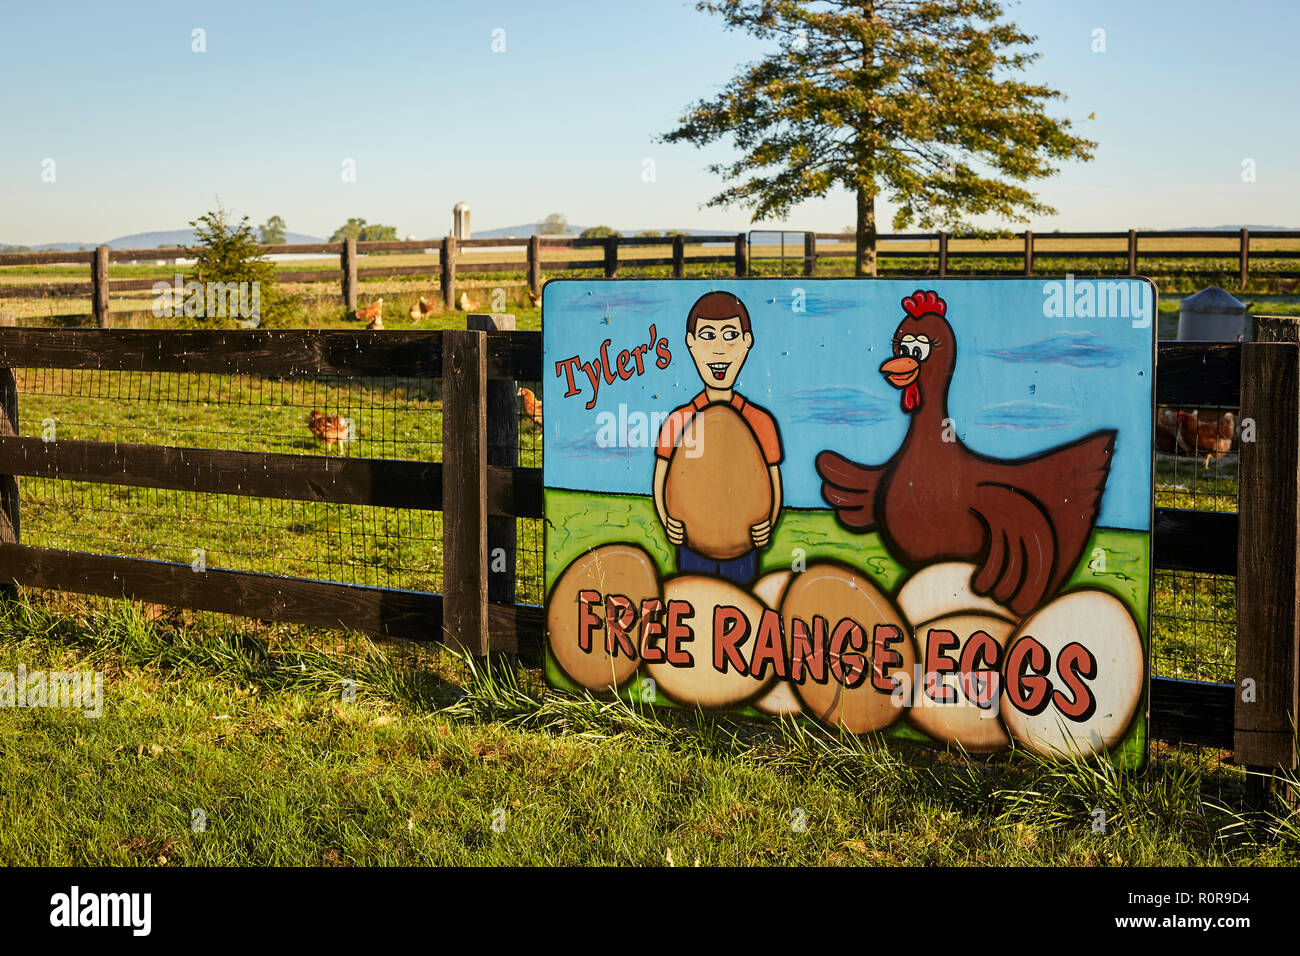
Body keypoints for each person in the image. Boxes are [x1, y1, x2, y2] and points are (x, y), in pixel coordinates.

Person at [652, 291, 783, 585]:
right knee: (695, 604)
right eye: (708, 336)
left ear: (747, 342)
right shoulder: (679, 421)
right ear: (691, 343)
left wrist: (769, 524)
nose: (719, 350)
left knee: (742, 606)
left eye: (731, 335)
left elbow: (772, 481)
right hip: (692, 546)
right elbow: (661, 479)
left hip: (743, 550)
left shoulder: (760, 422)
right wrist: (667, 520)